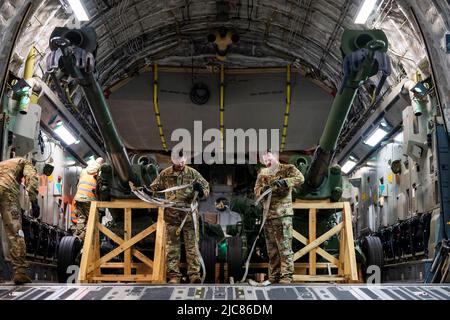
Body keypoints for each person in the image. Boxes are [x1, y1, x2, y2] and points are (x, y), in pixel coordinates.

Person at [150, 153, 209, 284]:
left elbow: (206, 188)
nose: (181, 164)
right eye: (178, 162)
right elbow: (153, 189)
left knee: (192, 246)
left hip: (189, 217)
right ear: (172, 160)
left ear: (185, 159)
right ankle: (174, 276)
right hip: (172, 216)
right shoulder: (165, 174)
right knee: (172, 247)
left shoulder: (193, 174)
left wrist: (201, 191)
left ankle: (194, 275)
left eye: (183, 161)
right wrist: (153, 195)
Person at [254, 150, 304, 284]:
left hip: (283, 215)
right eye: (264, 161)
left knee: (284, 247)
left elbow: (300, 178)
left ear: (276, 157)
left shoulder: (288, 169)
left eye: (269, 159)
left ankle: (286, 276)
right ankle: (274, 276)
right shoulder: (263, 173)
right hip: (268, 216)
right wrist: (261, 191)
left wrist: (285, 182)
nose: (267, 162)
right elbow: (256, 190)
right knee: (272, 249)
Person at [0, 157, 53, 284]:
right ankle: (20, 272)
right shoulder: (26, 163)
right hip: (7, 192)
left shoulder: (5, 164)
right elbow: (31, 180)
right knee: (15, 233)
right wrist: (34, 201)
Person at [71, 157, 104, 240]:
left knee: (81, 218)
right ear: (101, 165)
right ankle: (85, 240)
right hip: (89, 200)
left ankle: (78, 238)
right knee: (92, 221)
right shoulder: (99, 173)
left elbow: (78, 184)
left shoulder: (83, 171)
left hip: (78, 198)